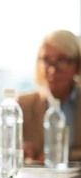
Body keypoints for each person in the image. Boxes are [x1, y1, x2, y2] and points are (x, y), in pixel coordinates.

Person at [18, 29, 81, 162]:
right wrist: (16, 152)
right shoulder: (23, 105)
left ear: (77, 64)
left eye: (62, 60)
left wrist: (57, 156)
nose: (52, 70)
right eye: (46, 60)